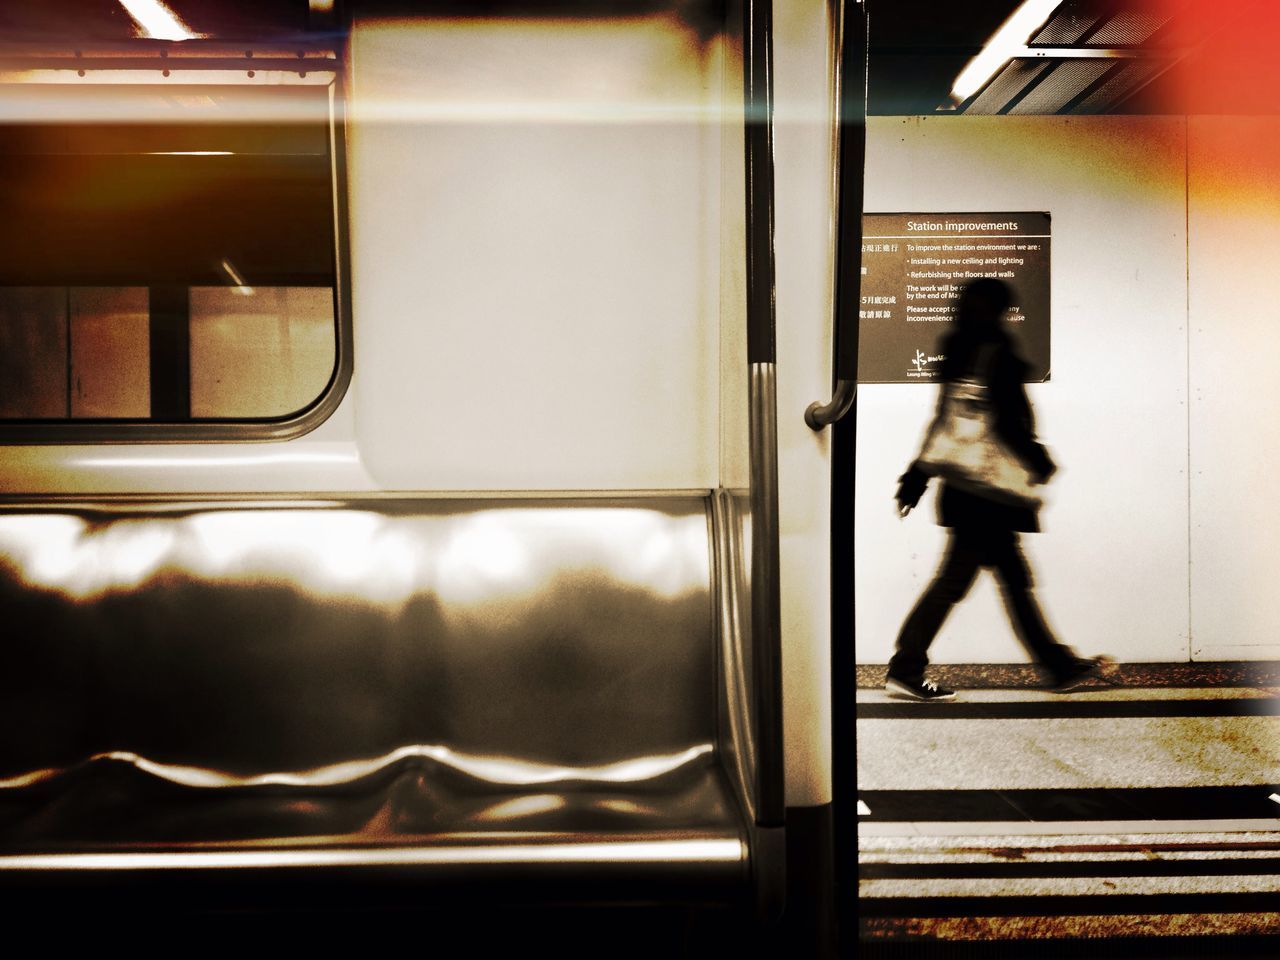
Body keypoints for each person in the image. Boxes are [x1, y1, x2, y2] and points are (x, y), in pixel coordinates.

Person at [886, 278, 1102, 702]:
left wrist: (917, 476)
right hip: (986, 497)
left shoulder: (962, 354)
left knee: (1008, 580)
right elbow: (1002, 424)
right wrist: (1039, 460)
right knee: (963, 583)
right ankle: (907, 668)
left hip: (968, 494)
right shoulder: (994, 356)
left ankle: (1055, 665)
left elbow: (945, 427)